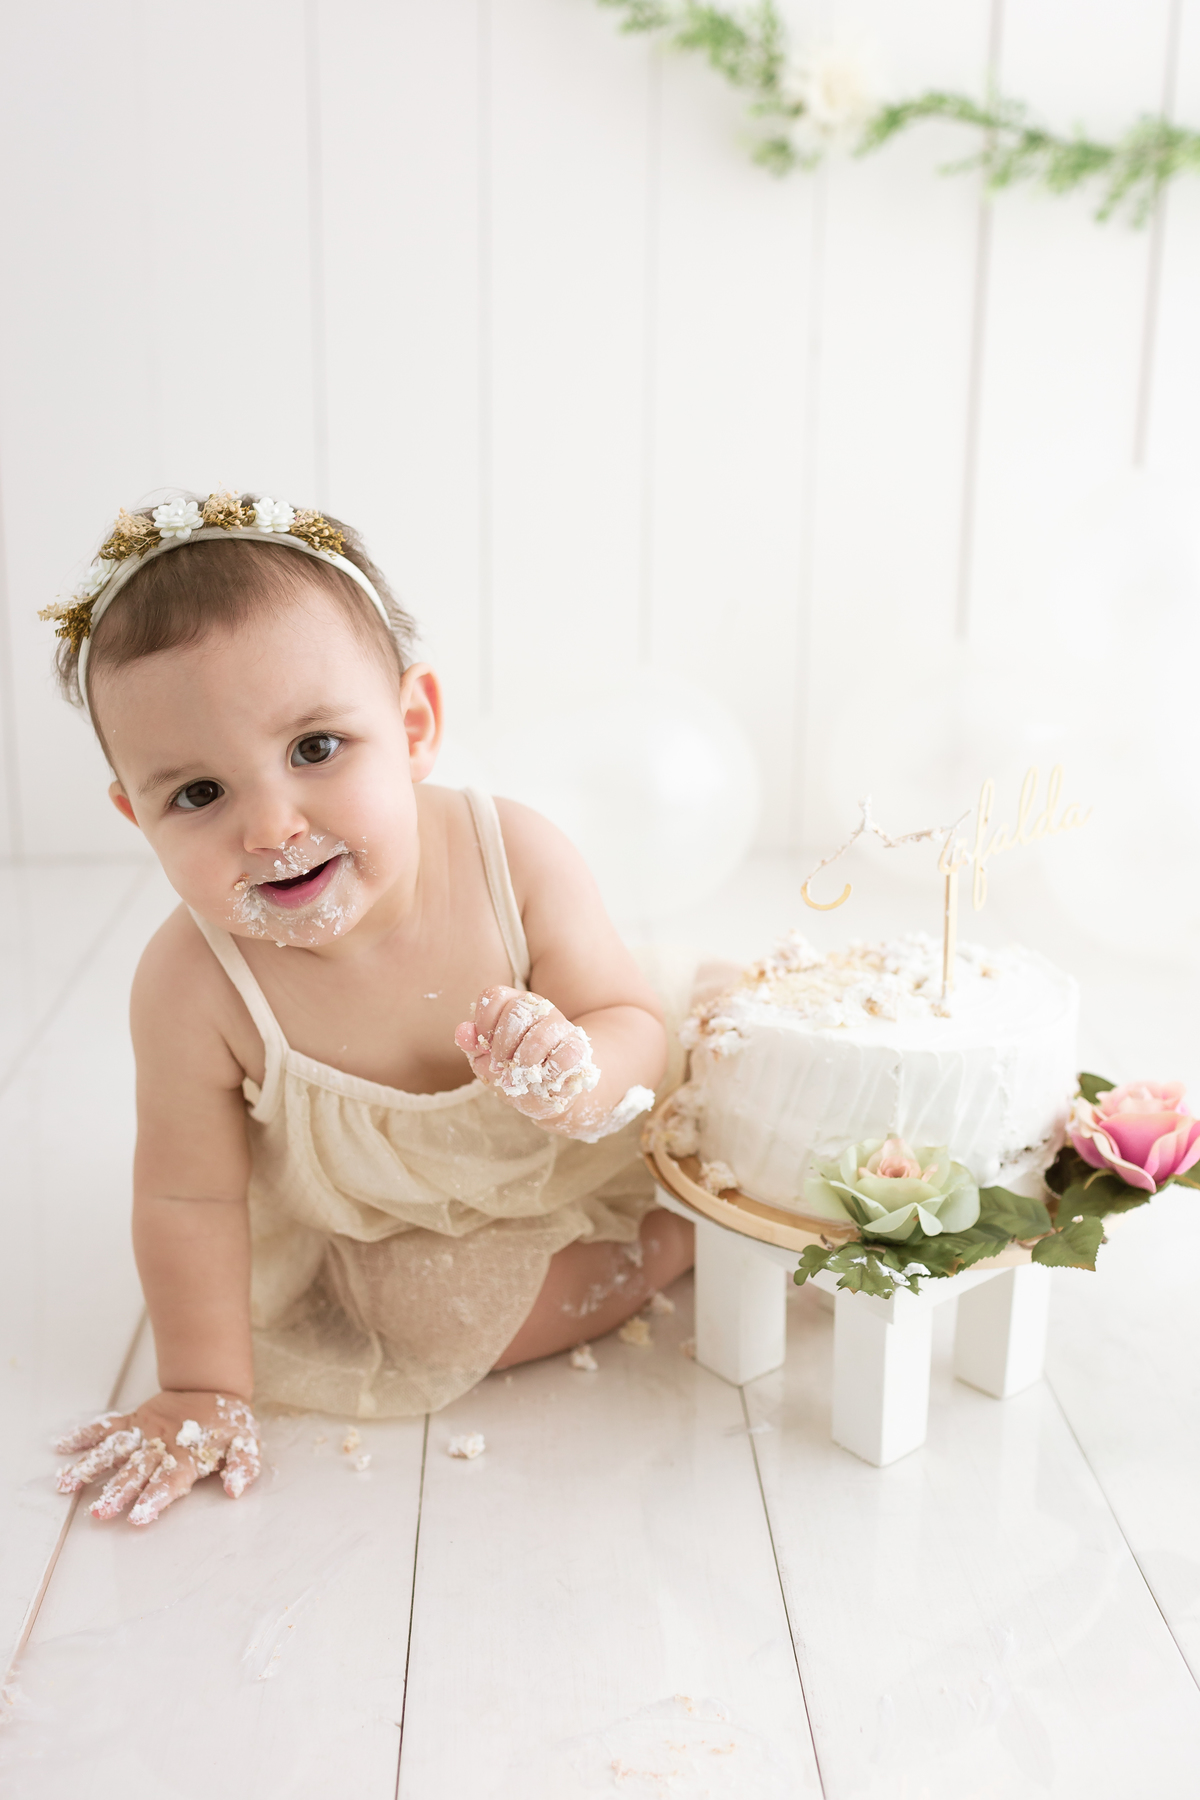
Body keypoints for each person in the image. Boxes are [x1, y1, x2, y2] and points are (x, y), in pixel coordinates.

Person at [46, 492, 692, 1526]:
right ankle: (674, 1246)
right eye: (198, 795)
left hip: (593, 1136)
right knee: (427, 1319)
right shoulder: (193, 985)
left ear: (413, 725)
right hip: (396, 1218)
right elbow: (188, 1201)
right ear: (135, 809)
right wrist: (202, 1385)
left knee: (738, 1082)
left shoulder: (510, 854)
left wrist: (583, 1069)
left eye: (314, 750)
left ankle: (684, 1209)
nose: (270, 825)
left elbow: (629, 1014)